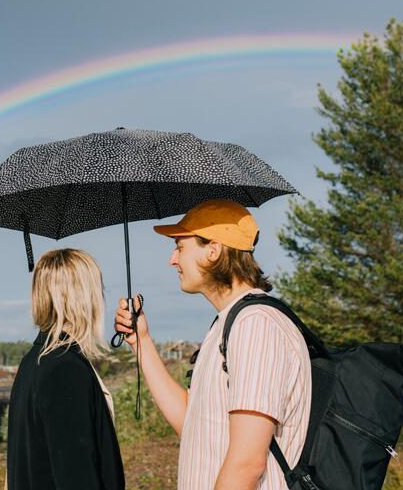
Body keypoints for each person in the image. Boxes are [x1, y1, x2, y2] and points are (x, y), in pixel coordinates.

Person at [114, 199, 311, 490]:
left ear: (213, 250)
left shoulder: (255, 325)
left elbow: (248, 463)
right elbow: (193, 425)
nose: (172, 260)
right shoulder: (227, 323)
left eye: (180, 247)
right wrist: (140, 341)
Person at [7, 248, 124, 490]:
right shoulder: (66, 370)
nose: (101, 297)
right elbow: (77, 475)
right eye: (97, 288)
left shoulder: (35, 360)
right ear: (83, 297)